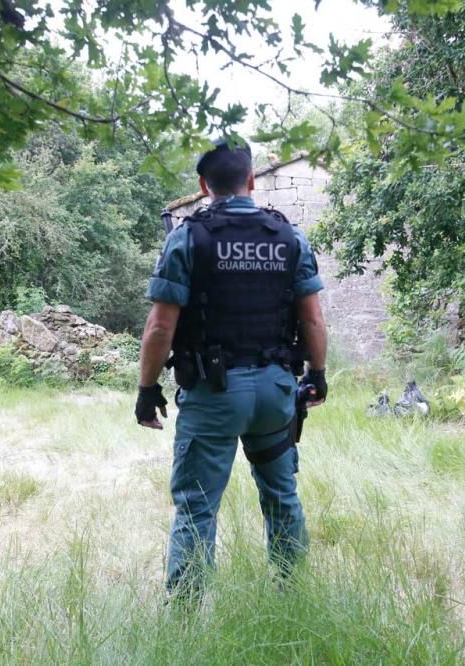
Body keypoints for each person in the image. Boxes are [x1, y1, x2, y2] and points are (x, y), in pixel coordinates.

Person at [135, 138, 329, 598]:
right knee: (281, 496)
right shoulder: (289, 237)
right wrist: (316, 375)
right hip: (275, 394)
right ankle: (293, 594)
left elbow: (161, 326)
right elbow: (313, 318)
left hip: (214, 395)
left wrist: (147, 389)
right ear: (250, 181)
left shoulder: (187, 237)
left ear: (204, 187)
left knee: (197, 507)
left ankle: (184, 615)